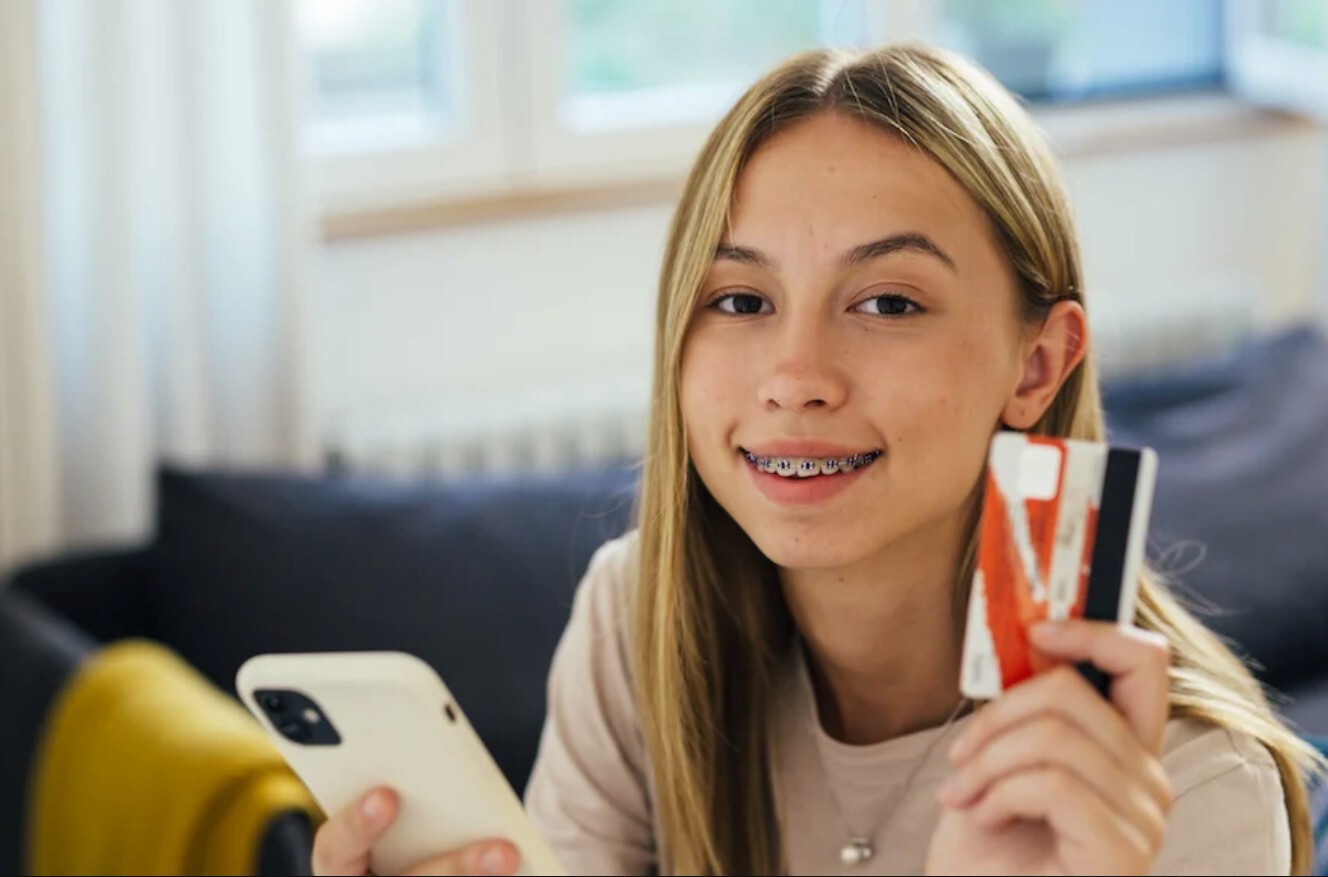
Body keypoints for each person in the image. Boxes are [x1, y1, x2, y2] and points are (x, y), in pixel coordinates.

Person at [311, 44, 1322, 876]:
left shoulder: (1194, 788)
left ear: (1037, 363)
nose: (794, 377)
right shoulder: (635, 623)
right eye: (740, 302)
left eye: (887, 302)